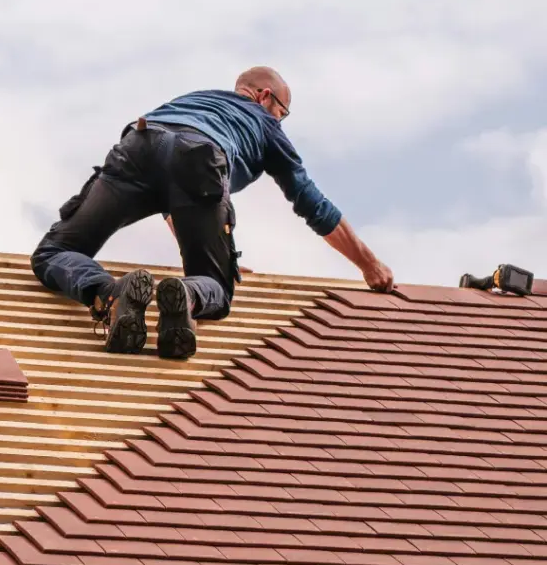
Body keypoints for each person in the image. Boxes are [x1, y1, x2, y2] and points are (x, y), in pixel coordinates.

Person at [30, 66, 394, 360]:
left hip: (138, 144)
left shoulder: (191, 101)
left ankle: (108, 292)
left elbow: (168, 173)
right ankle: (189, 295)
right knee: (216, 286)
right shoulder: (265, 124)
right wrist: (368, 265)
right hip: (201, 160)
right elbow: (311, 202)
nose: (280, 121)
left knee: (54, 252)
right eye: (282, 112)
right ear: (265, 97)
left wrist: (221, 251)